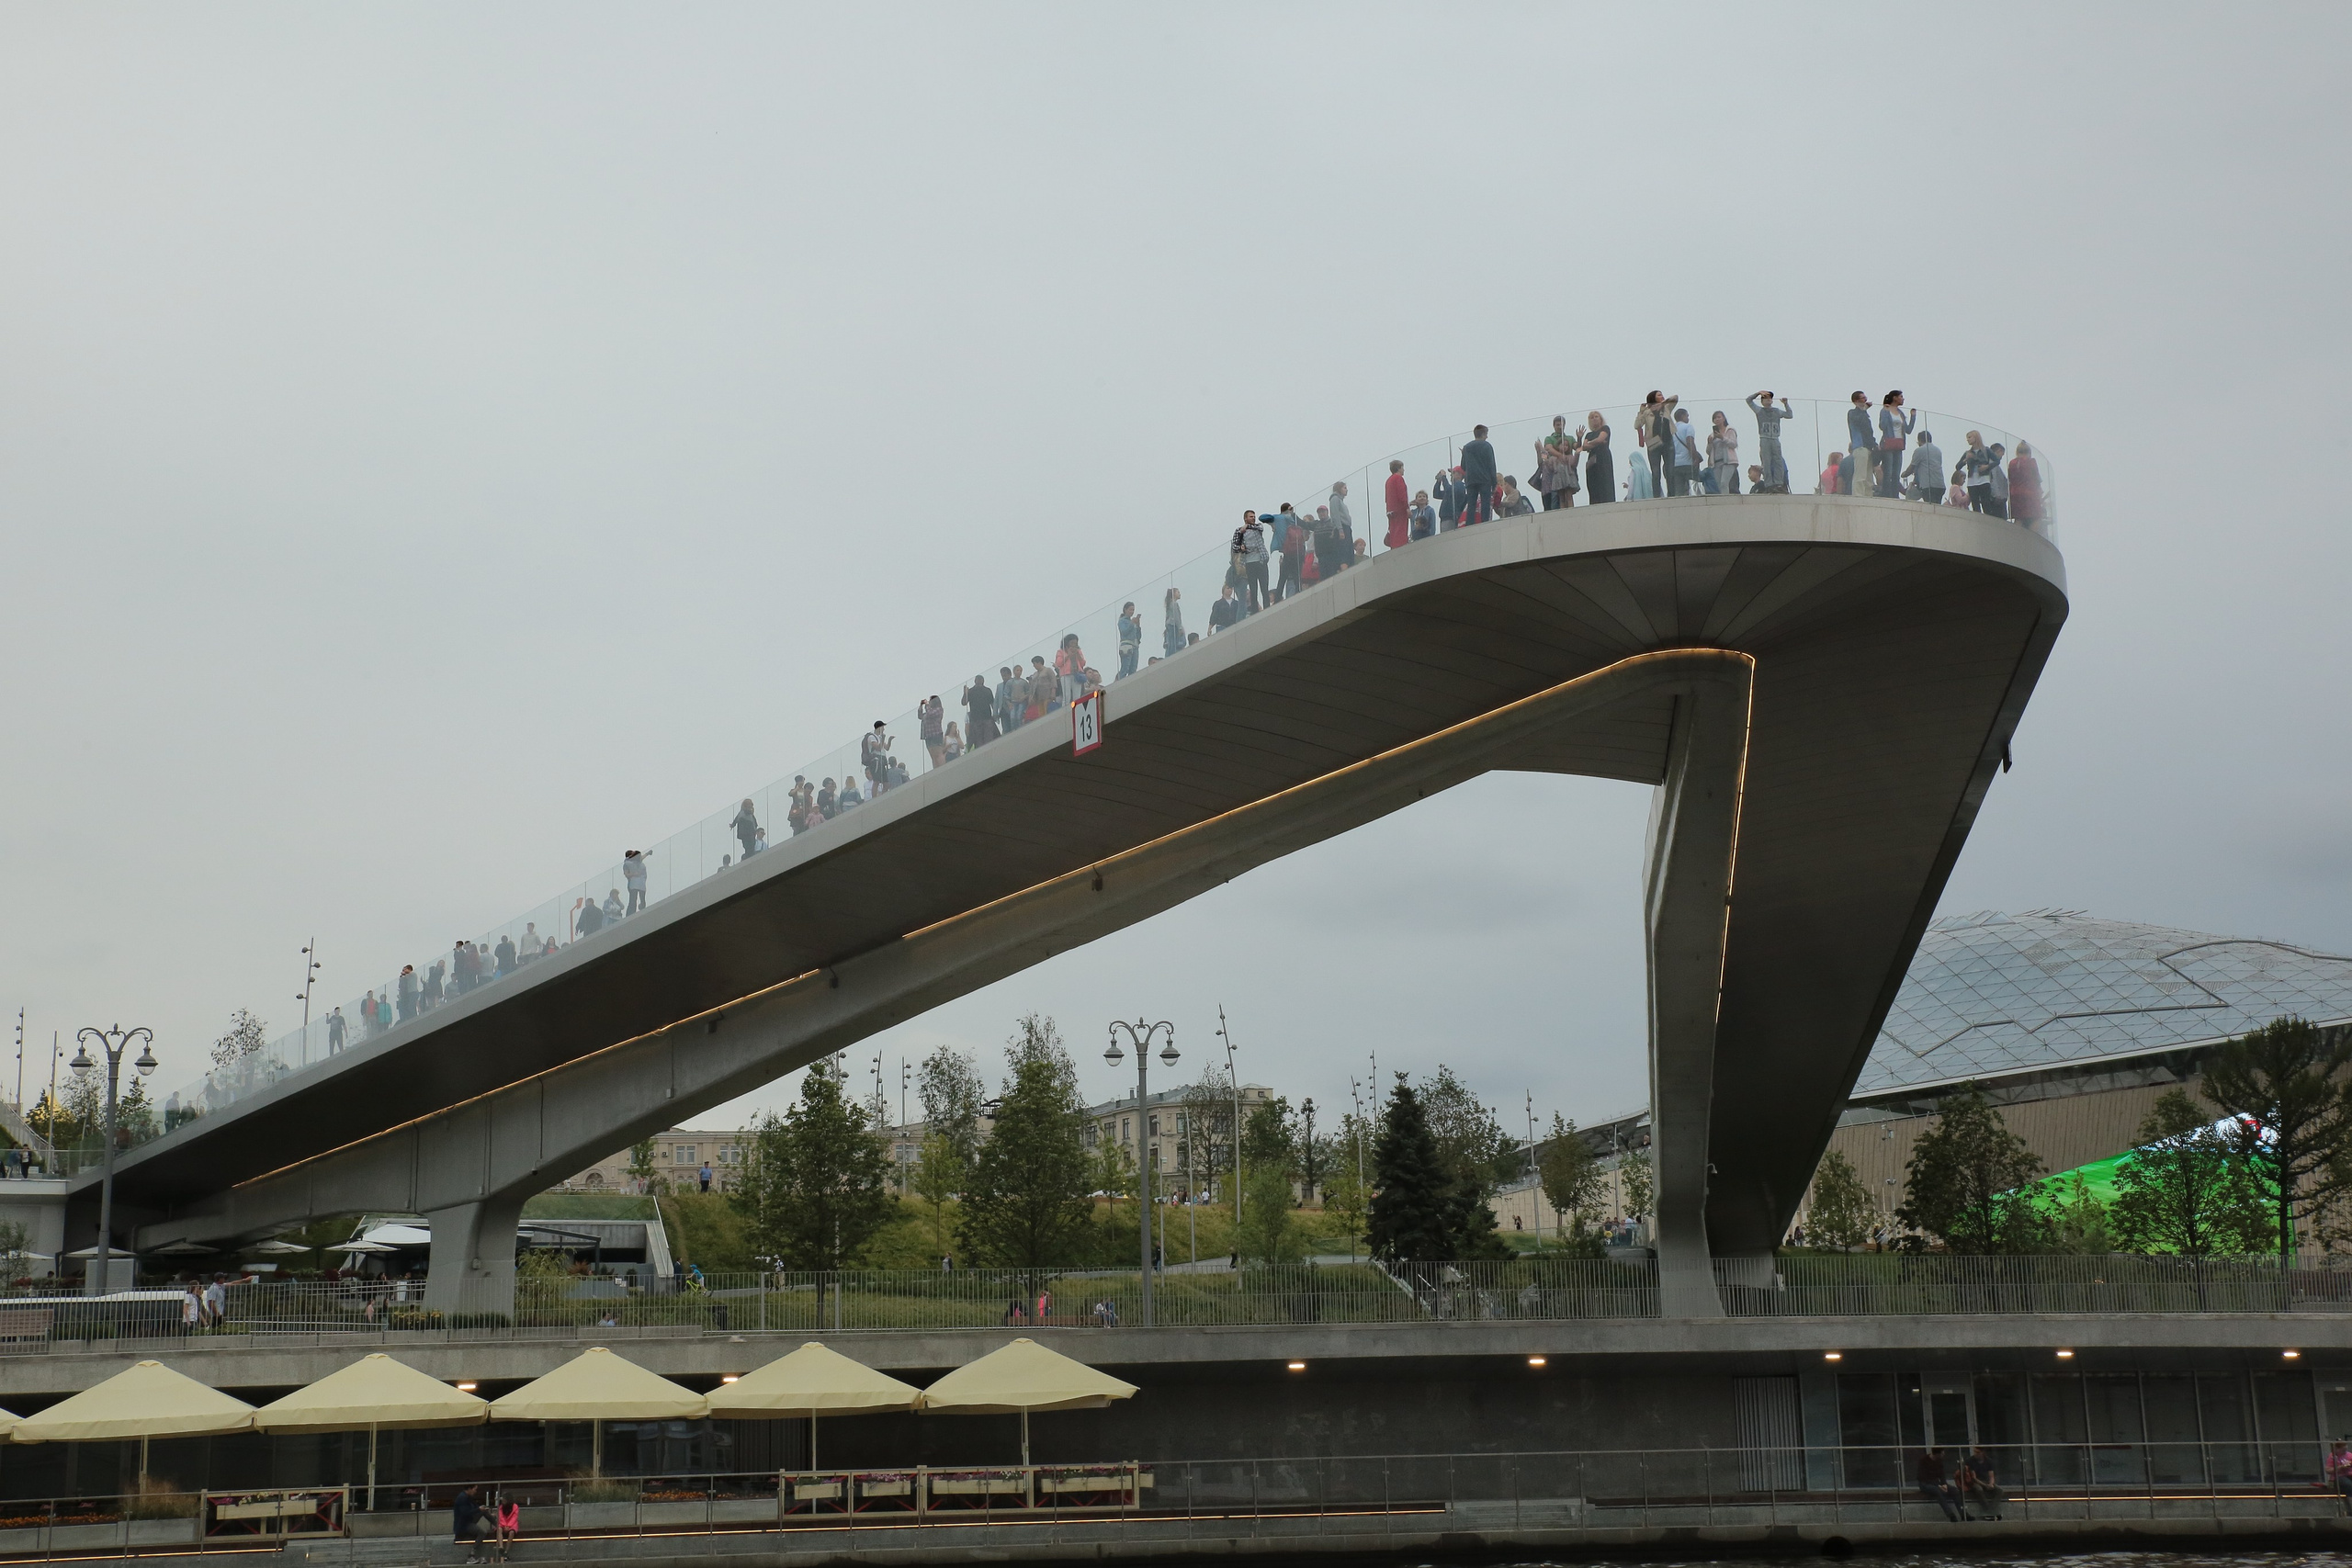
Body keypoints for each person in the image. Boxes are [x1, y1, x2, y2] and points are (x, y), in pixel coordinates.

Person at [1745, 390, 1793, 490]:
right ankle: (1769, 484)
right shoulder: (1759, 410)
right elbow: (1749, 400)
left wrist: (1786, 404)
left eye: (1769, 398)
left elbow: (1790, 415)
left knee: (1778, 461)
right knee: (1766, 462)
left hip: (1775, 438)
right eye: (1765, 398)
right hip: (1764, 438)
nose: (1768, 400)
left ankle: (1778, 483)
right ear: (1762, 401)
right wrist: (1758, 393)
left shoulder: (1777, 411)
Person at [1636, 392, 1679, 496]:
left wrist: (1662, 403)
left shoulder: (1666, 408)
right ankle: (1656, 495)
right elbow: (1637, 425)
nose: (1662, 396)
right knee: (1656, 472)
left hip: (1668, 441)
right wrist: (1641, 411)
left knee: (1670, 470)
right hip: (1654, 443)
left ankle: (1672, 494)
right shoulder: (1647, 412)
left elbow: (1675, 398)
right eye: (1659, 395)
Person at [1877, 391, 1917, 498]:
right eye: (1901, 397)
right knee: (1888, 471)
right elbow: (1882, 426)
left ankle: (1894, 495)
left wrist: (1913, 417)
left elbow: (1908, 430)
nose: (1903, 399)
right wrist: (1886, 412)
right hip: (1889, 443)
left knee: (1896, 473)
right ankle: (1886, 494)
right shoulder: (1885, 410)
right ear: (1895, 398)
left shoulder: (1900, 413)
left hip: (1899, 445)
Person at [1535, 415, 1580, 509]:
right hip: (1554, 472)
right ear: (1554, 426)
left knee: (1568, 495)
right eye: (1558, 425)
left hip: (1568, 471)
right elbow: (1548, 449)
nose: (1560, 427)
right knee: (1556, 497)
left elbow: (1577, 447)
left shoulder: (1570, 438)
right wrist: (1560, 456)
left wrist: (1579, 438)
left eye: (1562, 424)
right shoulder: (1549, 438)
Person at [1459, 425, 1498, 525]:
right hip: (1485, 479)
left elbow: (1463, 466)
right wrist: (1494, 483)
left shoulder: (1466, 447)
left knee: (1471, 503)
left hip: (1471, 480)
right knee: (1485, 502)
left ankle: (1469, 523)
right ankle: (1485, 522)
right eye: (1486, 434)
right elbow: (1491, 465)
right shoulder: (1487, 446)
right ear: (1484, 434)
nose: (1487, 437)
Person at [1233, 512, 1269, 611]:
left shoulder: (1257, 527)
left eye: (1254, 517)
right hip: (1249, 562)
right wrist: (1241, 547)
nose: (1253, 518)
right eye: (1251, 517)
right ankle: (1254, 610)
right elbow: (1235, 547)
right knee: (1253, 589)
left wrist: (1247, 527)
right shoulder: (1238, 531)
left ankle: (1267, 608)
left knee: (1264, 587)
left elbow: (1260, 528)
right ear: (1245, 518)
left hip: (1261, 560)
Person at [1915, 1448, 1962, 1522]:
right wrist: (1938, 1485)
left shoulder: (1939, 1461)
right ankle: (1950, 1514)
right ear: (1937, 1454)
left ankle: (1963, 1513)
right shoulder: (1923, 1460)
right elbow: (1921, 1477)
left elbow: (1942, 1474)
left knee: (1955, 1490)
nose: (1944, 1454)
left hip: (1936, 1483)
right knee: (1937, 1491)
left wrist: (1944, 1484)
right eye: (1942, 1453)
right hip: (1925, 1484)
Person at [1956, 430, 1998, 513]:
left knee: (1985, 503)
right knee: (1975, 504)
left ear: (1976, 437)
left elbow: (1997, 461)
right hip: (1972, 481)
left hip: (1984, 479)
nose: (1967, 440)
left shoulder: (1986, 450)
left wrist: (1987, 466)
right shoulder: (1967, 453)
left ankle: (1987, 521)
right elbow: (1958, 467)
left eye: (1969, 437)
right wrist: (1966, 459)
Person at [1580, 412, 1615, 503]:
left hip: (1603, 457)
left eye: (1596, 417)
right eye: (1592, 417)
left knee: (1605, 480)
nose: (1594, 419)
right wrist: (1595, 443)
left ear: (1600, 419)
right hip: (1592, 459)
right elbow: (1584, 446)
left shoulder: (1605, 428)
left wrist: (1590, 443)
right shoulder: (1589, 434)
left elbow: (1600, 439)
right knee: (1592, 482)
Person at [1846, 391, 1877, 496]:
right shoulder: (1853, 413)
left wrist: (1875, 444)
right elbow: (1859, 421)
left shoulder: (1864, 414)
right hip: (1860, 447)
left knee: (1869, 477)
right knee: (1860, 475)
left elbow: (1869, 431)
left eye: (1865, 398)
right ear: (1856, 401)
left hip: (1868, 448)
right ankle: (1858, 495)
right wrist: (1863, 410)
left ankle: (1868, 496)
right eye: (1862, 398)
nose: (1865, 400)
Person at [1963, 1447, 2007, 1520]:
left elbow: (1991, 1475)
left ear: (1983, 1452)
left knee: (2000, 1490)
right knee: (1979, 1489)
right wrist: (1985, 1486)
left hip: (1985, 1481)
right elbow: (1974, 1478)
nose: (1975, 1454)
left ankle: (1991, 1509)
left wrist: (1991, 1484)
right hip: (1974, 1482)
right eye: (1975, 1452)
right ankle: (1988, 1510)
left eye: (1977, 1452)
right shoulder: (1970, 1461)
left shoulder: (1989, 1461)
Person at [2008, 440, 2045, 526]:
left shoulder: (2012, 463)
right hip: (2030, 493)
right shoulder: (2031, 462)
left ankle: (2017, 538)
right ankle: (2031, 538)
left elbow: (2010, 478)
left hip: (2015, 493)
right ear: (2029, 452)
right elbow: (2036, 478)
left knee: (2018, 518)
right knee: (2036, 518)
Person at [1667, 408, 1702, 495]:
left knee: (1679, 490)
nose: (1688, 418)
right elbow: (1690, 442)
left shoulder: (1671, 429)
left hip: (1675, 463)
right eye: (1687, 416)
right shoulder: (1688, 427)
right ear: (1682, 416)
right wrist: (1695, 458)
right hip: (1687, 462)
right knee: (1695, 487)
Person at [454, 1484, 491, 1564]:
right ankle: (471, 1554)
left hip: (468, 1520)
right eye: (475, 1489)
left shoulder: (468, 1497)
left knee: (483, 1511)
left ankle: (497, 1526)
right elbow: (465, 1513)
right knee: (482, 1532)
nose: (475, 1491)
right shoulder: (462, 1498)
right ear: (470, 1489)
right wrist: (478, 1509)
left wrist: (481, 1509)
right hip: (463, 1525)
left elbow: (475, 1507)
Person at [1705, 411, 1740, 495]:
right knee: (1718, 484)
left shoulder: (1730, 430)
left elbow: (1734, 444)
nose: (1717, 419)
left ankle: (1725, 501)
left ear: (1724, 418)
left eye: (1719, 417)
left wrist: (1722, 438)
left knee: (1724, 483)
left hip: (1729, 461)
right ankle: (1721, 500)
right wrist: (1710, 443)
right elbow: (1708, 451)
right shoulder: (1712, 435)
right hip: (1716, 462)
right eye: (1715, 418)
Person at [1903, 430, 1944, 502]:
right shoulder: (1938, 451)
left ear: (1920, 440)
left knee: (1929, 508)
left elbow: (1911, 467)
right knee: (1937, 507)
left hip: (1928, 485)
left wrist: (1904, 474)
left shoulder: (1919, 450)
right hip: (1940, 484)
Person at [964, 675, 999, 745]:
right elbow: (964, 703)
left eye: (980, 680)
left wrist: (995, 714)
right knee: (979, 740)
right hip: (976, 719)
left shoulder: (987, 690)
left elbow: (992, 703)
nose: (979, 682)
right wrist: (965, 694)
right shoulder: (971, 691)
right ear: (975, 681)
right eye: (978, 680)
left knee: (988, 739)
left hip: (986, 718)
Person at [1384, 458, 1410, 547]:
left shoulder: (1388, 481)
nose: (1404, 470)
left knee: (1394, 532)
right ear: (1399, 468)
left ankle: (1394, 547)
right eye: (1402, 467)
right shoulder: (1399, 478)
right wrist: (1407, 508)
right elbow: (1402, 495)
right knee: (1401, 531)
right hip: (1399, 510)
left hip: (1391, 510)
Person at [919, 695, 946, 769]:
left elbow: (930, 713)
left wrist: (927, 705)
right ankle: (936, 769)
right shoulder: (928, 712)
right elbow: (920, 716)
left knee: (938, 753)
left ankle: (942, 768)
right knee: (933, 755)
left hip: (936, 734)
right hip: (928, 736)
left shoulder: (939, 710)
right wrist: (921, 706)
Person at [1115, 603, 1141, 679]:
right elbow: (1124, 632)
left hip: (1135, 646)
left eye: (1133, 610)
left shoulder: (1132, 621)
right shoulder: (1122, 621)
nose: (1132, 612)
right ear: (1125, 610)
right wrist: (1132, 624)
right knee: (1125, 667)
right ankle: (1120, 683)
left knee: (1133, 669)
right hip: (1126, 646)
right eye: (1130, 609)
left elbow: (1139, 637)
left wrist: (1138, 625)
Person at [1433, 466, 1463, 531]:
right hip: (1446, 518)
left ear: (1460, 475)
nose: (1451, 475)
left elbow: (1449, 490)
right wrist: (1438, 481)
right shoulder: (1453, 488)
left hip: (1451, 517)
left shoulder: (1460, 485)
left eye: (1453, 473)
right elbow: (1436, 494)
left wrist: (1444, 477)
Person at [730, 796, 761, 860]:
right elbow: (737, 819)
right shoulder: (743, 813)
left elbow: (754, 823)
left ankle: (750, 856)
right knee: (748, 847)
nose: (751, 807)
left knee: (751, 846)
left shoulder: (750, 815)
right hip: (746, 834)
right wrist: (733, 825)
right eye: (749, 805)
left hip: (751, 834)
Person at [622, 849, 650, 915]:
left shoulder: (637, 861)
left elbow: (642, 857)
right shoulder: (627, 864)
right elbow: (626, 874)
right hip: (632, 883)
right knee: (633, 899)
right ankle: (630, 913)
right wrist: (634, 874)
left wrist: (648, 853)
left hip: (640, 883)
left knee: (642, 898)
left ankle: (642, 908)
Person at [494, 1495, 520, 1562]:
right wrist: (504, 1525)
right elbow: (501, 1517)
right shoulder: (501, 1507)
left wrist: (508, 1526)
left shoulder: (515, 1506)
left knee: (511, 1533)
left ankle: (506, 1552)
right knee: (499, 1529)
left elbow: (514, 1517)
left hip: (512, 1524)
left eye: (504, 1500)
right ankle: (501, 1547)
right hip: (502, 1524)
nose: (503, 1502)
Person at [1162, 587, 1185, 657]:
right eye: (1178, 592)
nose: (1179, 594)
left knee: (1171, 642)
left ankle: (1169, 655)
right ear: (1174, 594)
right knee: (1174, 642)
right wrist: (1180, 627)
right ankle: (1172, 656)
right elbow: (1176, 617)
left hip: (1169, 624)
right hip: (1173, 624)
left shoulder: (1169, 604)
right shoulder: (1174, 604)